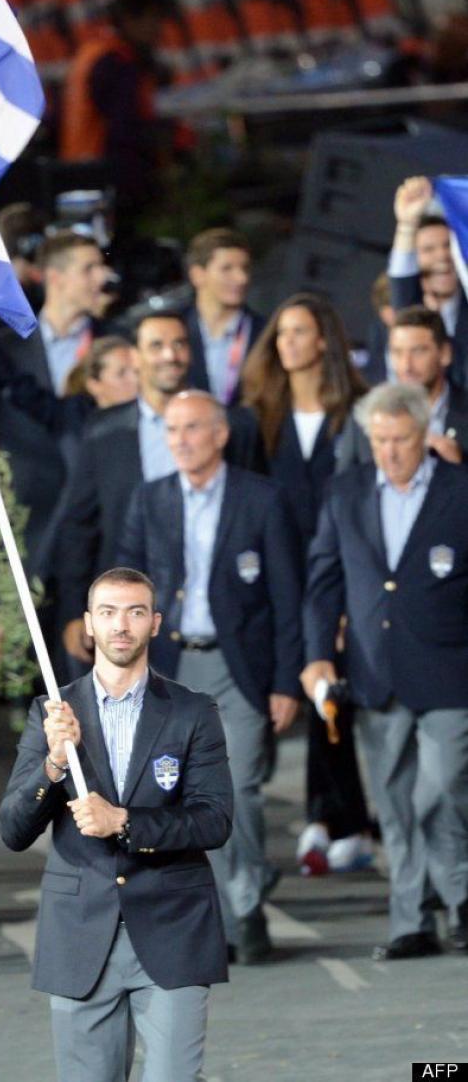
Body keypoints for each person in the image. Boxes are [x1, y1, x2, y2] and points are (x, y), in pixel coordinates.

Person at [0, 567, 233, 1082]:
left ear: (155, 622)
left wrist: (123, 821)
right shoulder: (53, 711)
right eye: (107, 612)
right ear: (89, 623)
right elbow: (12, 832)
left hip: (173, 930)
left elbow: (214, 820)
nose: (120, 625)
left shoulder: (193, 712)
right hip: (80, 935)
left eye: (134, 612)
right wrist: (54, 764)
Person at [117, 390, 302, 962]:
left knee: (238, 789)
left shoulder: (262, 499)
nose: (181, 440)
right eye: (172, 429)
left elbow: (288, 598)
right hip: (169, 668)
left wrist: (286, 680)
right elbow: (124, 588)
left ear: (220, 435)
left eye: (192, 428)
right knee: (187, 796)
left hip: (238, 666)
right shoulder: (149, 500)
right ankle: (219, 915)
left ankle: (245, 909)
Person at [301, 381, 468, 959]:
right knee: (395, 804)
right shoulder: (345, 492)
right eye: (379, 441)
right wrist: (319, 653)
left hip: (450, 668)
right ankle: (412, 922)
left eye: (400, 439)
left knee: (442, 786)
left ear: (423, 435)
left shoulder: (460, 489)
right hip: (375, 671)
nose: (390, 452)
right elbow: (322, 584)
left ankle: (459, 893)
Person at [238, 292, 373, 874]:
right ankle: (335, 817)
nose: (286, 342)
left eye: (299, 331)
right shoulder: (258, 418)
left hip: (342, 575)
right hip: (275, 578)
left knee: (331, 695)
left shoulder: (359, 412)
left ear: (324, 340)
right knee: (298, 694)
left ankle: (336, 818)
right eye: (281, 332)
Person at [0, 230, 111, 576]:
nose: (103, 277)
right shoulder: (5, 348)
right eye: (89, 268)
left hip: (98, 528)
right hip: (25, 522)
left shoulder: (116, 344)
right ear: (55, 277)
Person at [58, 311, 191, 669]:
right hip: (123, 611)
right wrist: (75, 611)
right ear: (135, 357)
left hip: (200, 612)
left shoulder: (222, 425)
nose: (169, 355)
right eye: (156, 345)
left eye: (179, 344)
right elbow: (79, 525)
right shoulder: (103, 431)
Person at [59, 0, 171, 212]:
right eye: (153, 20)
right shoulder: (117, 63)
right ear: (130, 20)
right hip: (111, 178)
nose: (159, 29)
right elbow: (126, 128)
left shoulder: (94, 53)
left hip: (81, 172)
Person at [337, 306, 468, 468]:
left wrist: (461, 470)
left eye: (418, 351)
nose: (406, 366)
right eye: (397, 353)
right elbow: (343, 487)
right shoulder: (366, 415)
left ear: (445, 354)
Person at [388, 176, 468, 388]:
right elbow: (401, 280)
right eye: (428, 249)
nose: (443, 256)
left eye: (447, 246)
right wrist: (407, 224)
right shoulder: (411, 312)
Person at [184, 228, 266, 405]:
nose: (241, 278)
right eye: (227, 268)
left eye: (245, 268)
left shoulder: (265, 333)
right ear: (198, 275)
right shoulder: (175, 327)